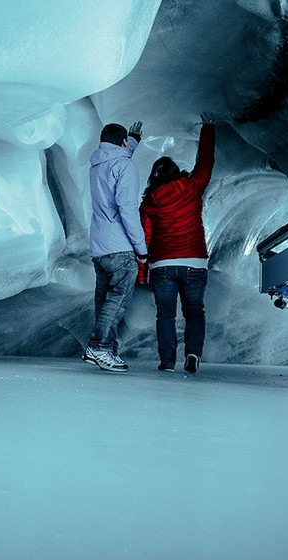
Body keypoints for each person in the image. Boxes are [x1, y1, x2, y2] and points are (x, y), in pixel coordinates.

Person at [139, 113, 216, 374]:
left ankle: (168, 362)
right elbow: (205, 164)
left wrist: (143, 266)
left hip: (162, 265)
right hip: (194, 261)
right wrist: (208, 129)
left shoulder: (149, 203)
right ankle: (193, 352)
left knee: (166, 314)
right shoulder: (192, 187)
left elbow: (145, 237)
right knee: (195, 311)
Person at [82, 121, 149, 372]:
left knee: (104, 300)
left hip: (99, 246)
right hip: (119, 245)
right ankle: (99, 346)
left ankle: (105, 350)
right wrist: (141, 249)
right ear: (121, 143)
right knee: (118, 298)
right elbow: (128, 210)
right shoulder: (125, 166)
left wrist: (132, 140)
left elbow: (116, 159)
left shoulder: (98, 164)